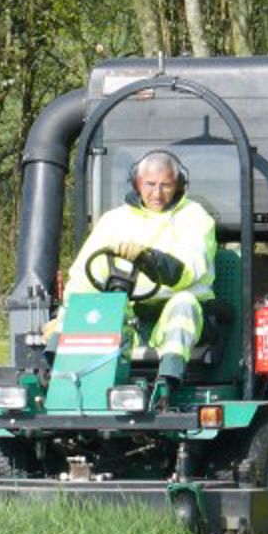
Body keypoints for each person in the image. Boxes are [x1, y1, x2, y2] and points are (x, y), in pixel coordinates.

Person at [45, 149, 217, 404]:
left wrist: (149, 258)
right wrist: (65, 317)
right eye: (150, 184)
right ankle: (54, 374)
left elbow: (188, 273)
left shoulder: (195, 218)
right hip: (126, 312)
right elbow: (83, 275)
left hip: (174, 312)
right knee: (87, 302)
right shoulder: (114, 220)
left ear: (179, 184)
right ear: (137, 182)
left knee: (184, 303)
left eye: (166, 186)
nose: (157, 193)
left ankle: (167, 383)